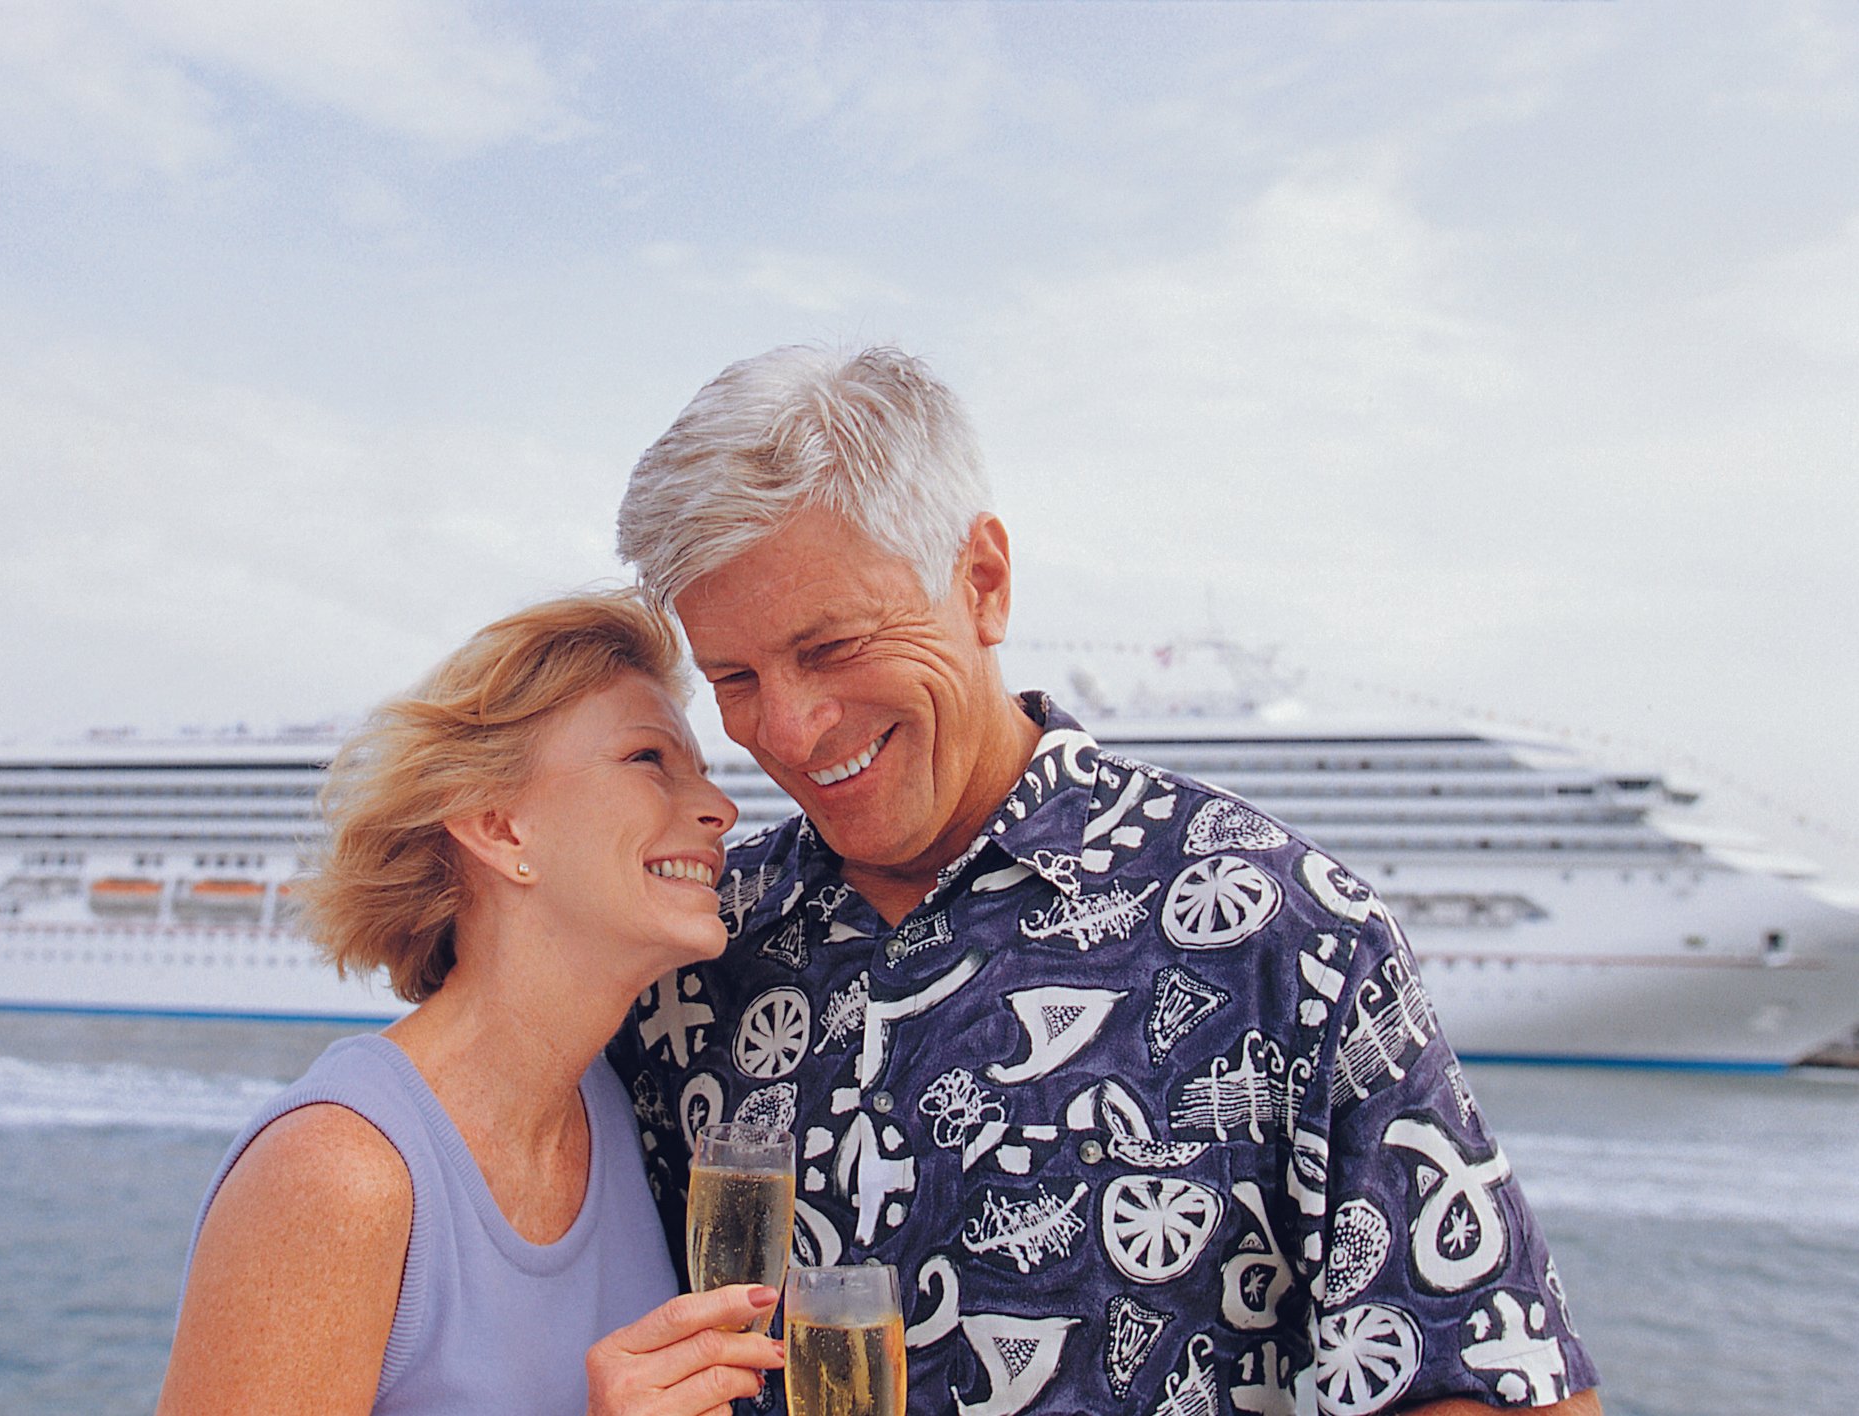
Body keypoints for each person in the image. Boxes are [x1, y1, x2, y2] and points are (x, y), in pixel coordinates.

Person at [609, 346, 1603, 1415]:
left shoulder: (1284, 930)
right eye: (736, 679)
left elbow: (1492, 1380)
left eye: (836, 645)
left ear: (982, 581)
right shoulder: (682, 950)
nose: (791, 731)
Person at [158, 590, 785, 1415]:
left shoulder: (621, 1104)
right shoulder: (339, 1178)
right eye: (648, 760)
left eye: (702, 771)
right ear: (498, 826)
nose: (721, 809)